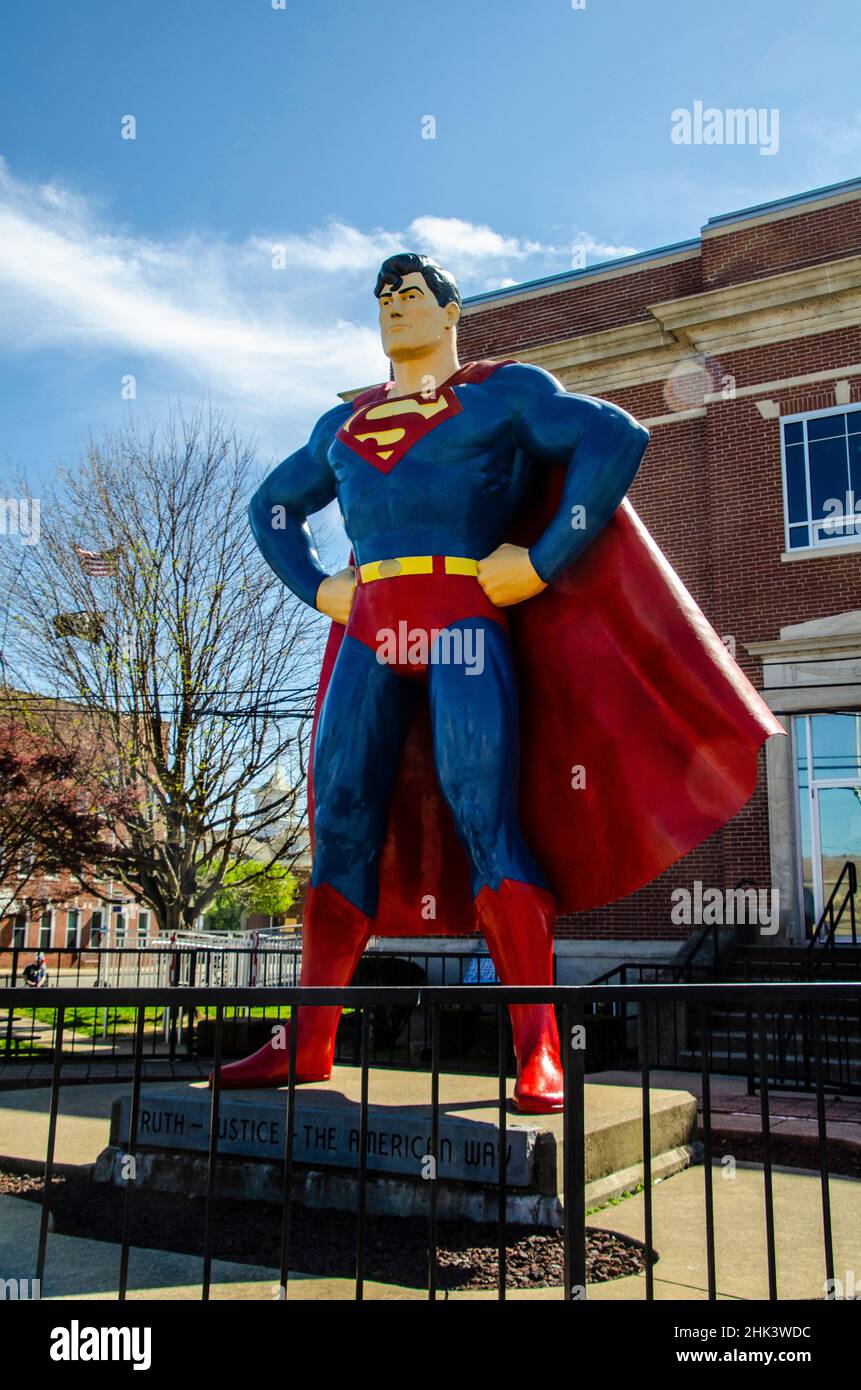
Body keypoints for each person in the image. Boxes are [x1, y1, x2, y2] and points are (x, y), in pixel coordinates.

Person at [219, 251, 781, 1112]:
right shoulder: (343, 425)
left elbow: (613, 436)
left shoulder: (499, 393)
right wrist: (321, 587)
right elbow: (270, 506)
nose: (392, 308)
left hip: (461, 615)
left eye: (409, 294)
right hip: (372, 622)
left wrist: (546, 559)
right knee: (338, 818)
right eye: (382, 298)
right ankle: (310, 1040)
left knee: (485, 812)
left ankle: (538, 1049)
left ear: (450, 311)